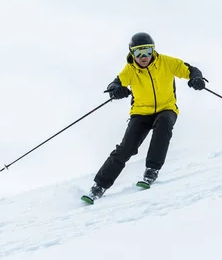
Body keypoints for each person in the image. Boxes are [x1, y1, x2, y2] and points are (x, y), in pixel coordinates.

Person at [82, 32, 206, 203]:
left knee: (164, 124)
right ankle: (98, 186)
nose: (143, 57)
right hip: (140, 112)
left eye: (147, 51)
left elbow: (191, 70)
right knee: (126, 148)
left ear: (153, 50)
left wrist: (196, 79)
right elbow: (115, 84)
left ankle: (151, 170)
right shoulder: (130, 69)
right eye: (138, 52)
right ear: (132, 53)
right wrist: (117, 91)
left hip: (166, 108)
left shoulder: (167, 62)